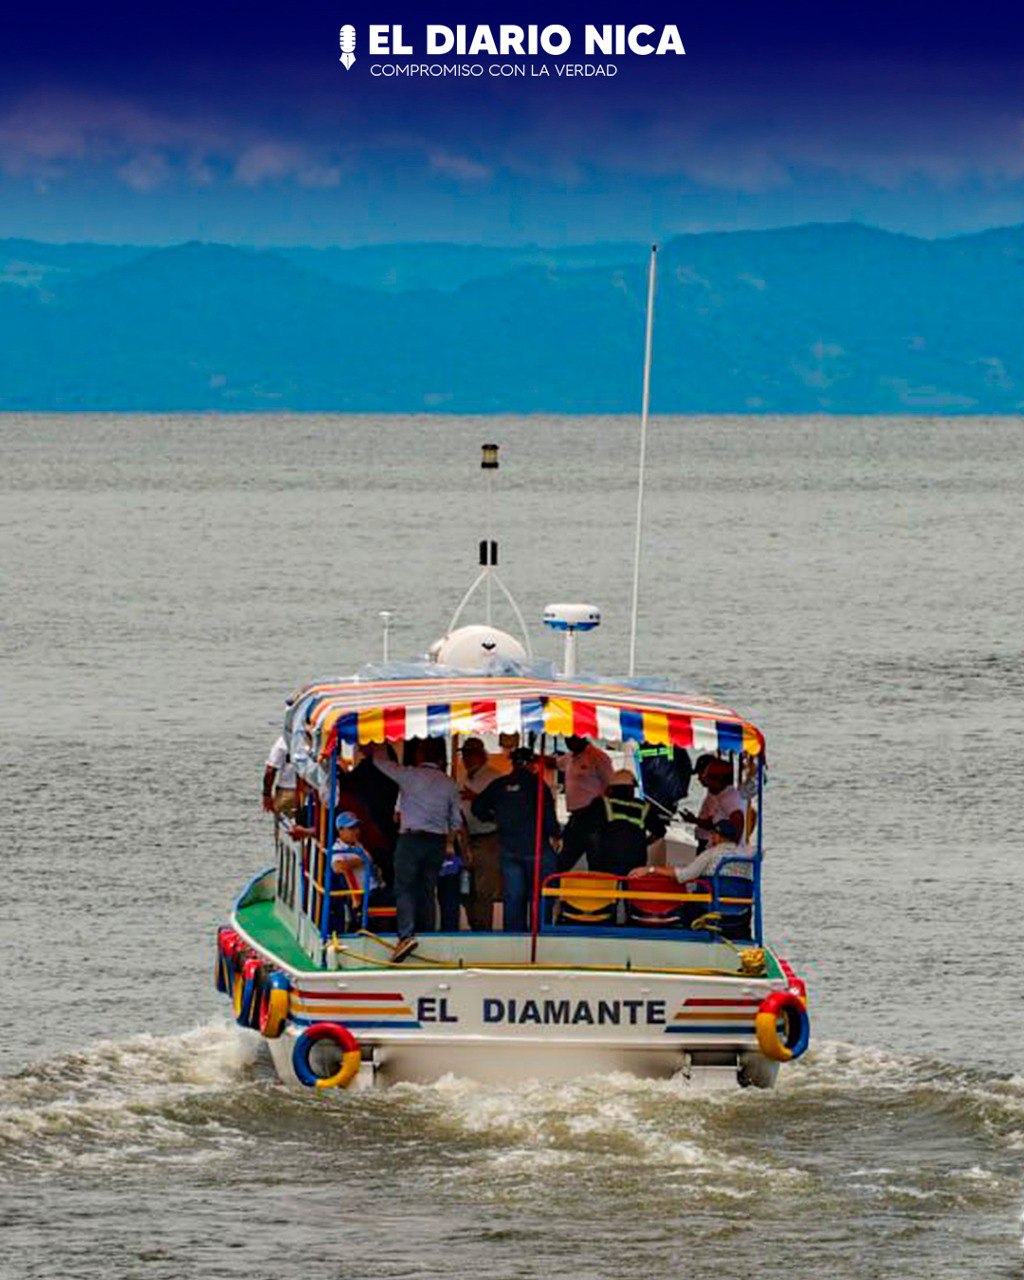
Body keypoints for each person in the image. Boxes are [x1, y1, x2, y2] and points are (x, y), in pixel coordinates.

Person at [370, 737, 463, 961]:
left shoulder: (409, 775)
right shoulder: (449, 783)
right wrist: (448, 841)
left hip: (411, 840)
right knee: (427, 890)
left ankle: (406, 935)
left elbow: (380, 763)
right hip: (436, 842)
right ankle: (428, 933)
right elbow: (456, 822)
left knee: (404, 887)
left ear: (420, 755)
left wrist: (378, 736)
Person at [472, 747, 560, 933]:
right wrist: (556, 834)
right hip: (535, 849)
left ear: (512, 763)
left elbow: (477, 807)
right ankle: (539, 937)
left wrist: (494, 818)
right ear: (531, 764)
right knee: (539, 898)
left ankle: (513, 940)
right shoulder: (538, 785)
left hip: (509, 849)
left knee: (513, 899)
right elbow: (549, 818)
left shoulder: (500, 784)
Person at [575, 768, 668, 878]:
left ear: (611, 789)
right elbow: (660, 831)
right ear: (630, 789)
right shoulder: (643, 807)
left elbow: (581, 825)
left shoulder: (601, 804)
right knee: (630, 892)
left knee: (607, 892)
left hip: (605, 862)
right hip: (635, 863)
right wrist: (645, 842)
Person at [458, 738, 503, 930]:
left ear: (481, 754)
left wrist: (476, 798)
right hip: (466, 838)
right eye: (465, 754)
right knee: (466, 889)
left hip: (488, 837)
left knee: (483, 889)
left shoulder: (495, 777)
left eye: (471, 753)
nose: (467, 758)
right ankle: (474, 924)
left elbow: (501, 809)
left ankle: (483, 929)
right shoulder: (464, 777)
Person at [556, 735, 614, 871]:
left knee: (596, 863)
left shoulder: (598, 756)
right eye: (566, 739)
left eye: (571, 738)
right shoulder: (569, 757)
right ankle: (552, 891)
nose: (568, 742)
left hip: (594, 816)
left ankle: (595, 891)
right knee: (561, 862)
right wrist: (535, 758)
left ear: (581, 737)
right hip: (576, 817)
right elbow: (555, 763)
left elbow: (610, 786)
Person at [682, 756, 746, 851]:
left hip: (722, 854)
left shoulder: (730, 799)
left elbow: (737, 828)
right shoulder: (720, 795)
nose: (705, 781)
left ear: (719, 779)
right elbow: (714, 823)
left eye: (708, 778)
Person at [328, 812, 377, 933]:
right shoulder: (337, 849)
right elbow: (338, 867)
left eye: (357, 827)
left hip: (373, 888)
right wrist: (361, 860)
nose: (356, 831)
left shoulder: (357, 845)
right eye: (351, 828)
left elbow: (369, 858)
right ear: (340, 830)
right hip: (363, 893)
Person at [262, 733, 298, 816]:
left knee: (285, 825)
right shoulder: (313, 739)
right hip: (312, 791)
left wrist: (266, 795)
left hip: (287, 792)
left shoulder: (282, 742)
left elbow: (270, 770)